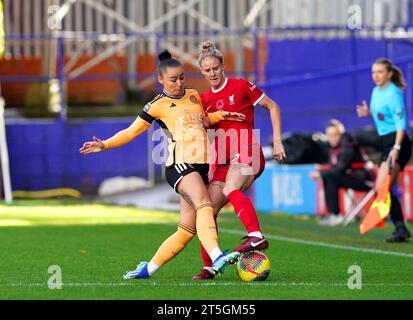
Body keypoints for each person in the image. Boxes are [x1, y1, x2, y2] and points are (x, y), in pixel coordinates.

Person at [79, 50, 245, 279]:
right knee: (204, 202)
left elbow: (204, 121)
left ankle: (148, 268)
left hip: (203, 166)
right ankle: (217, 256)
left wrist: (222, 115)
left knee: (187, 230)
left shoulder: (194, 95)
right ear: (161, 80)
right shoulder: (157, 105)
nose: (179, 83)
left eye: (182, 77)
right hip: (180, 165)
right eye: (173, 79)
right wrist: (104, 145)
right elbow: (131, 131)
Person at [192, 41, 286, 280]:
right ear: (202, 72)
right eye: (207, 70)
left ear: (223, 67)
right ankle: (209, 266)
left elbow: (273, 107)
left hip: (247, 151)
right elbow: (200, 127)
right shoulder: (203, 100)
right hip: (223, 161)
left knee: (231, 187)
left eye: (215, 68)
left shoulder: (241, 86)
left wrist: (277, 141)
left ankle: (256, 235)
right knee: (207, 211)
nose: (212, 73)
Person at [357, 58, 412, 242]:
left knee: (384, 186)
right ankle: (400, 227)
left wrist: (396, 148)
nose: (376, 76)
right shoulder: (376, 91)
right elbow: (383, 115)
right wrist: (368, 113)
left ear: (389, 73)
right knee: (383, 187)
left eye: (379, 72)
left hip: (399, 143)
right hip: (387, 143)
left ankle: (399, 226)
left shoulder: (394, 93)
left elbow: (400, 124)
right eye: (373, 72)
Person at [310, 119, 374, 226]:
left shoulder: (348, 145)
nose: (332, 138)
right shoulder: (333, 148)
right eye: (329, 135)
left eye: (335, 135)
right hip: (350, 178)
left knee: (331, 177)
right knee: (329, 177)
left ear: (341, 134)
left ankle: (335, 215)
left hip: (364, 180)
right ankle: (333, 214)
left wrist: (320, 174)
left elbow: (340, 168)